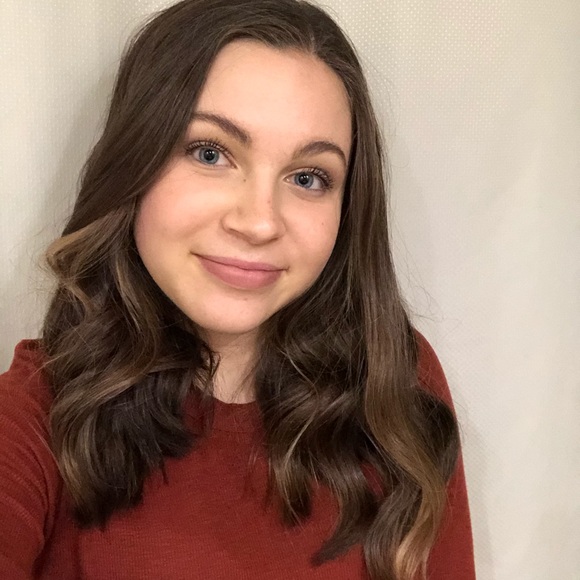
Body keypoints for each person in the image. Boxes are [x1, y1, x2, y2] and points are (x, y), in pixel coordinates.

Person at [0, 0, 475, 578]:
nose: (259, 222)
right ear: (133, 164)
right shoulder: (36, 415)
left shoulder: (394, 383)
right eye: (210, 153)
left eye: (308, 177)